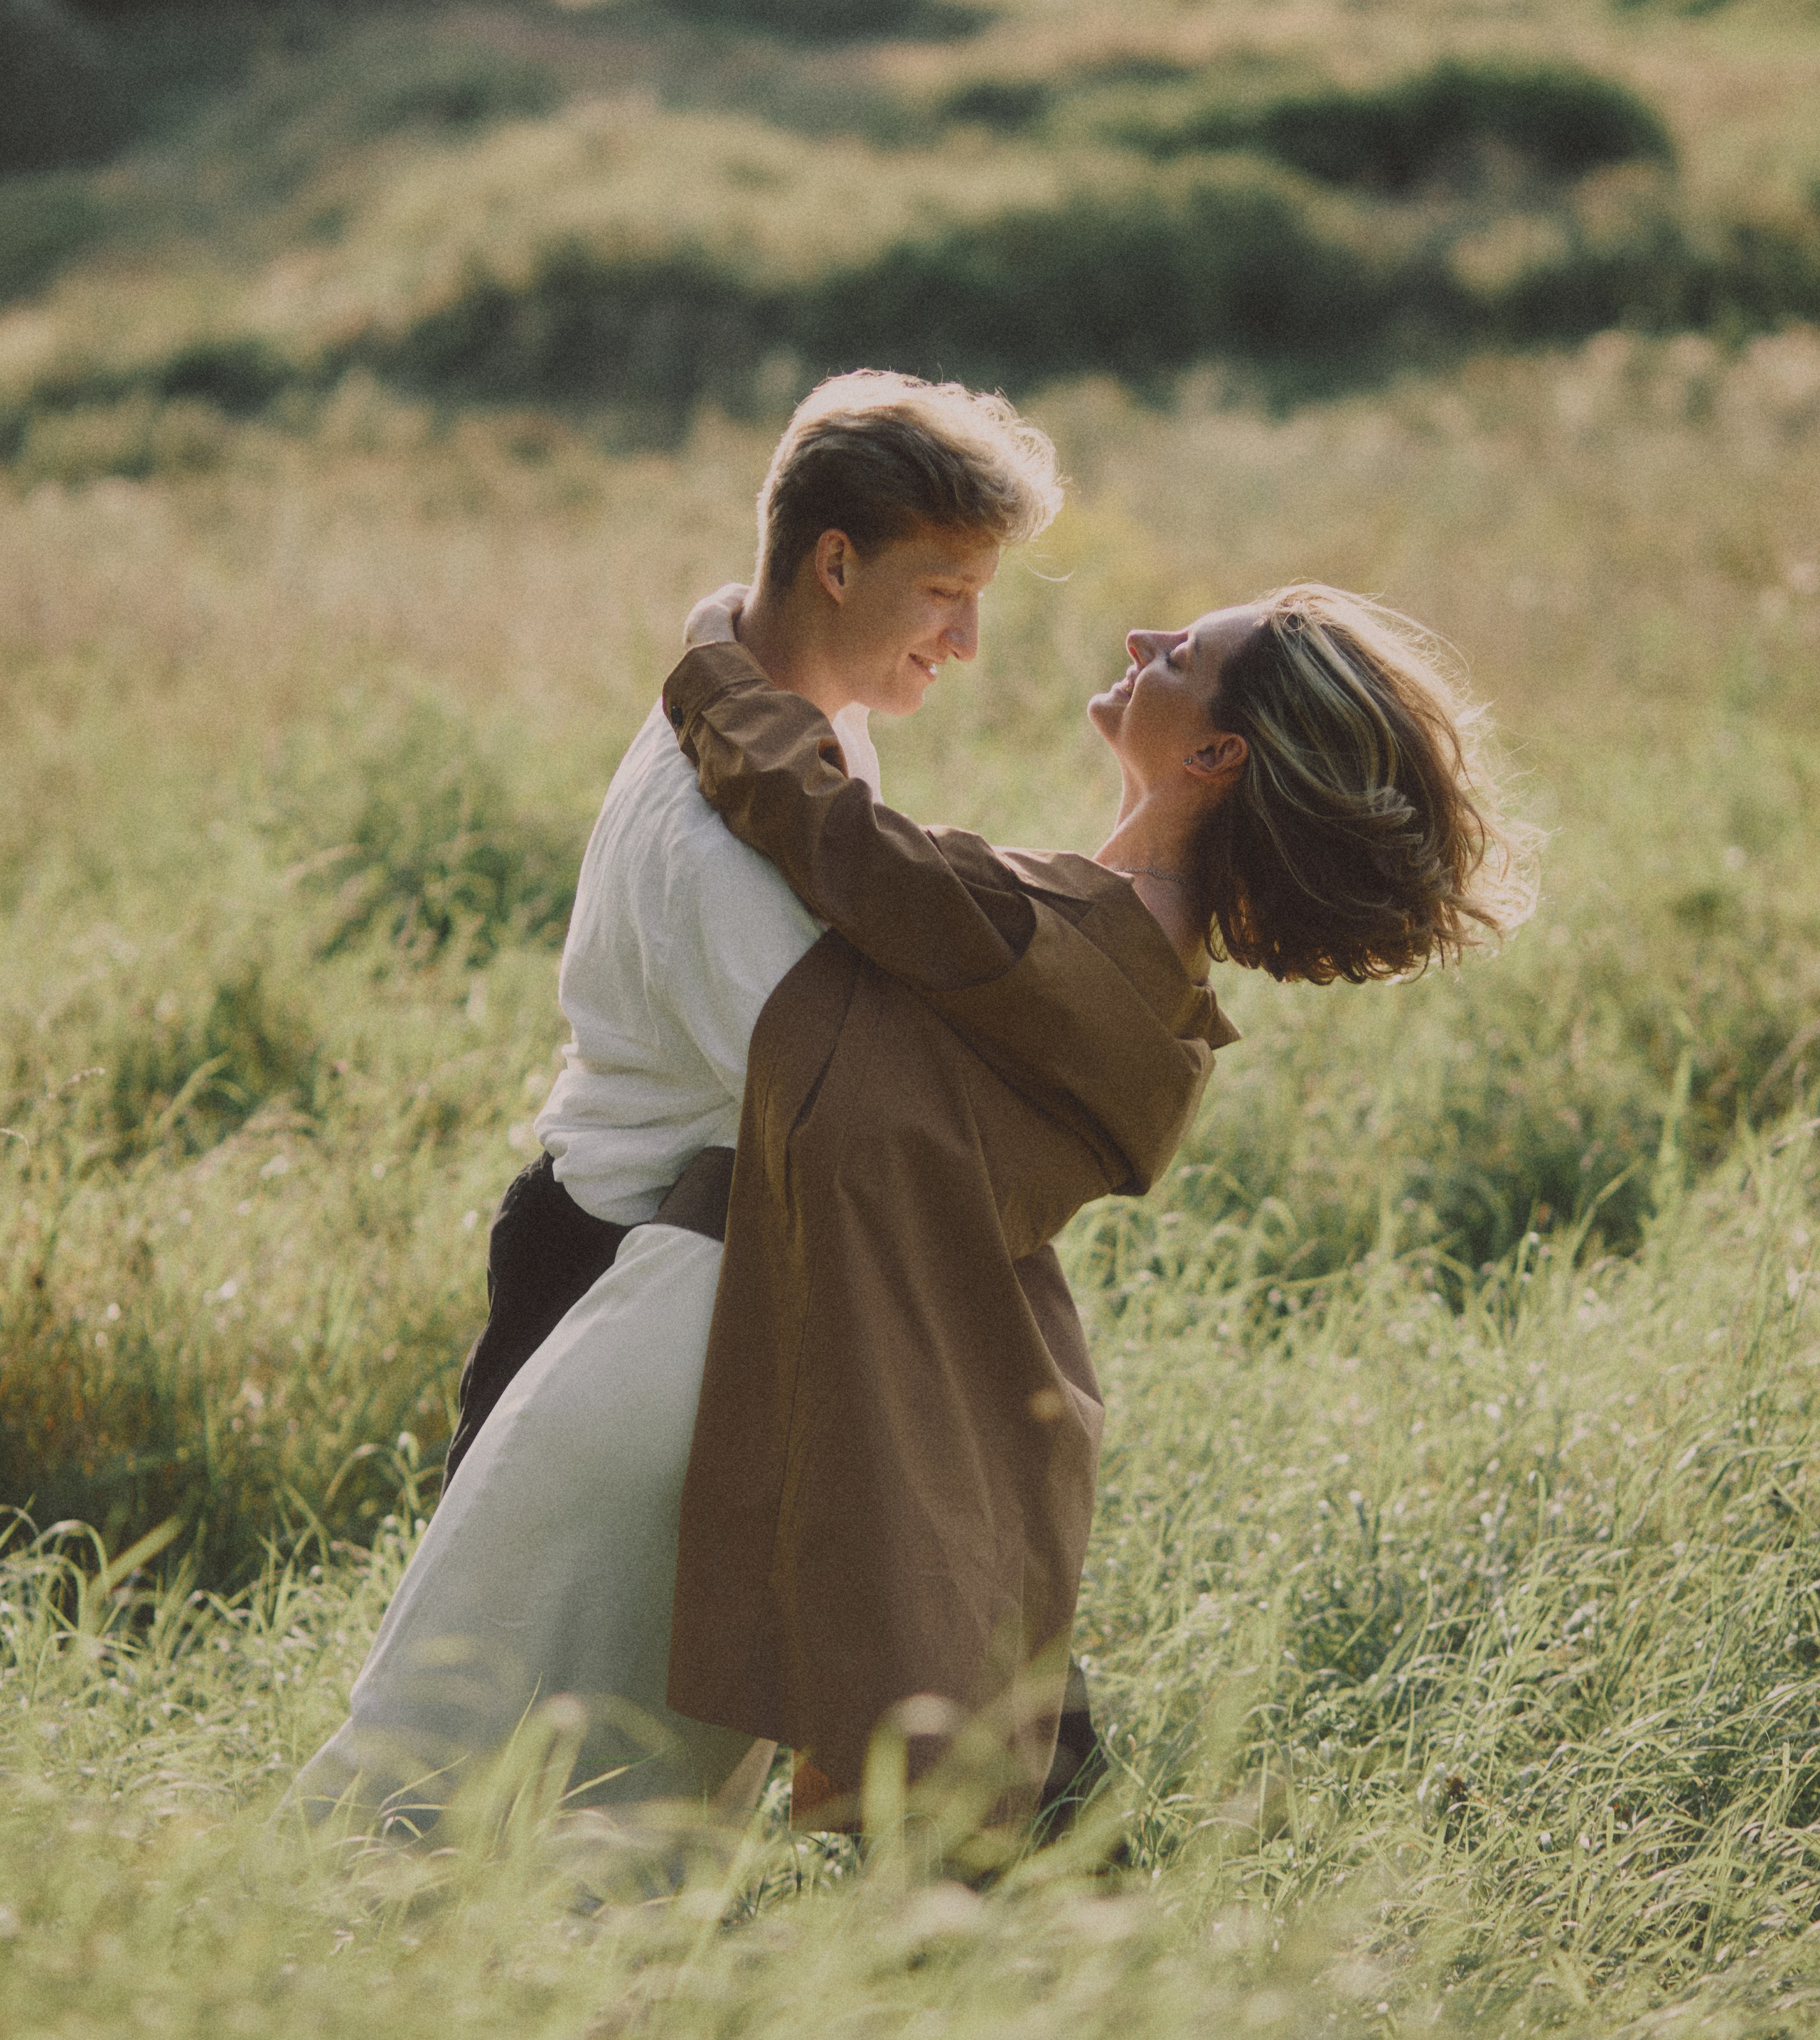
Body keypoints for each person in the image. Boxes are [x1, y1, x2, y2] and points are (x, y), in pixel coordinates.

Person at [294, 372, 1064, 1826]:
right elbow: (848, 1116)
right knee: (467, 1754)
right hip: (609, 1275)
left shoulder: (782, 709)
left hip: (682, 1264)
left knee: (597, 1756)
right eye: (943, 593)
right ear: (833, 562)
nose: (966, 641)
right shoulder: (714, 834)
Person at [658, 583, 1534, 1827]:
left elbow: (828, 830)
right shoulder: (1153, 974)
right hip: (959, 1398)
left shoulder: (1065, 942)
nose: (1142, 643)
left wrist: (715, 650)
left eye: (1180, 653)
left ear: (1217, 753)